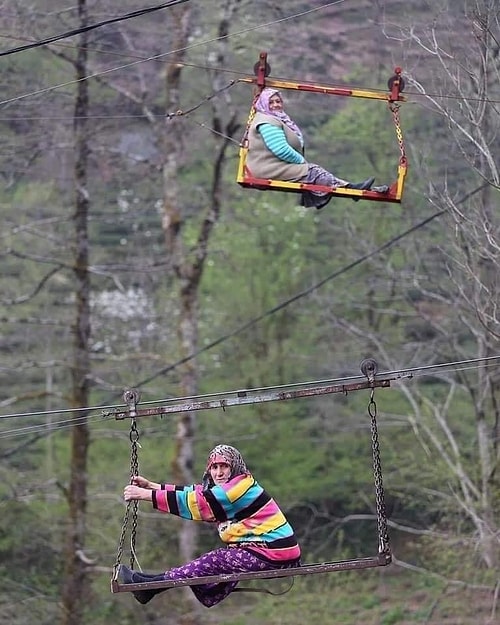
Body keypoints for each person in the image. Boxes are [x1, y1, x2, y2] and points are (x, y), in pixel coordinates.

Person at [119, 444, 301, 608]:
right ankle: (151, 584)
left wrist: (144, 495)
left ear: (235, 468)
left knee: (216, 559)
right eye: (214, 467)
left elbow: (198, 502)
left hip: (275, 554)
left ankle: (152, 586)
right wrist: (153, 487)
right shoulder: (234, 486)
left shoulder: (237, 489)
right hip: (275, 553)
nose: (219, 473)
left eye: (224, 467)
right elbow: (195, 492)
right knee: (219, 560)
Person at [246, 87, 387, 209]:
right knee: (313, 171)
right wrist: (301, 162)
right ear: (264, 104)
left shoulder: (275, 119)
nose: (276, 105)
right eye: (271, 102)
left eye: (278, 101)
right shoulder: (267, 121)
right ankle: (350, 190)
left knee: (312, 172)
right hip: (265, 169)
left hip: (272, 166)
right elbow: (280, 149)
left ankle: (353, 189)